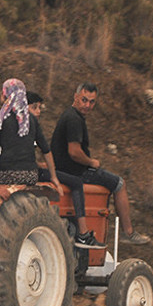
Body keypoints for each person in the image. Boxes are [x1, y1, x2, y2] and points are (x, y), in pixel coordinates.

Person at [51, 82, 151, 245]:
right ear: (75, 97)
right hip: (75, 170)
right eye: (84, 100)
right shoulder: (74, 119)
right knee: (119, 184)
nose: (87, 105)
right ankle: (128, 233)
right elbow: (74, 152)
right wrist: (91, 162)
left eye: (92, 102)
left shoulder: (69, 115)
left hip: (64, 168)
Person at [28, 91, 105, 249]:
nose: (39, 112)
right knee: (76, 182)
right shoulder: (32, 124)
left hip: (21, 169)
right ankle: (83, 233)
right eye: (34, 107)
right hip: (30, 173)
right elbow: (46, 151)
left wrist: (39, 165)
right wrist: (51, 171)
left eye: (39, 108)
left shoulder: (6, 121)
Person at [0, 78, 63, 195]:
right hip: (31, 175)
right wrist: (54, 177)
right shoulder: (31, 118)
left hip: (7, 174)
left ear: (5, 95)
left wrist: (0, 164)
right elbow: (46, 150)